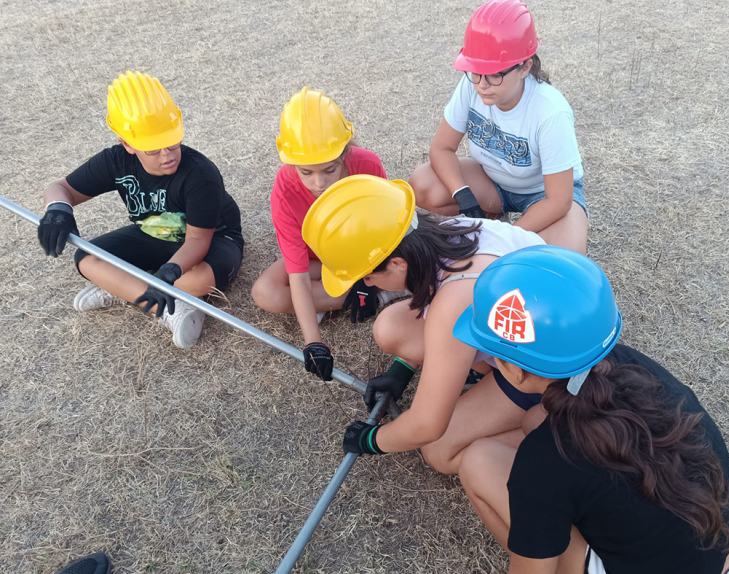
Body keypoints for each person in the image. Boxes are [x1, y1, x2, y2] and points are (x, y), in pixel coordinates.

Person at [450, 245, 729, 573]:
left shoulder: (543, 460)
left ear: (516, 372)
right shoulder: (635, 365)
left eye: (494, 355)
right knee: (534, 419)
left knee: (479, 460)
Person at [301, 174, 546, 473]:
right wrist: (401, 369)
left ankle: (545, 428)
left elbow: (427, 425)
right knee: (391, 326)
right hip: (526, 329)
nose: (367, 283)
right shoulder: (443, 232)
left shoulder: (455, 298)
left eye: (367, 276)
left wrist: (372, 439)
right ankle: (484, 379)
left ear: (397, 264)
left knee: (439, 450)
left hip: (538, 373)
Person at [37, 71, 243, 348]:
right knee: (87, 259)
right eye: (153, 150)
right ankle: (169, 307)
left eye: (172, 143)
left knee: (199, 281)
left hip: (213, 238)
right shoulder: (114, 162)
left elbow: (198, 240)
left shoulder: (200, 174)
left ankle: (124, 286)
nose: (167, 155)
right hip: (154, 234)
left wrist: (170, 272)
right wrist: (58, 210)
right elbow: (61, 188)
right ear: (127, 143)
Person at [409, 0, 588, 254]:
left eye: (495, 74)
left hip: (543, 195)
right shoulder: (470, 84)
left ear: (525, 66)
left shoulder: (550, 111)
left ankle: (499, 229)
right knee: (423, 184)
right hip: (491, 179)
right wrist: (463, 194)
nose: (482, 84)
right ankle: (492, 213)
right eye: (476, 72)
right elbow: (441, 148)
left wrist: (504, 237)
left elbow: (559, 200)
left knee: (563, 256)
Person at [250, 87, 390, 382]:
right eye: (306, 172)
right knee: (265, 292)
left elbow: (383, 232)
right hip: (319, 258)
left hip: (364, 253)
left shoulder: (368, 165)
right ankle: (363, 293)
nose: (319, 182)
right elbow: (297, 273)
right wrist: (313, 341)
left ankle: (378, 289)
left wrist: (369, 274)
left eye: (329, 169)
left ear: (346, 151)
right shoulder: (285, 190)